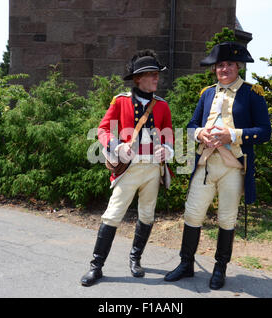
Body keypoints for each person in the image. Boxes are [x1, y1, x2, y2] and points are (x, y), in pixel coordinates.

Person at [164, 41, 271, 290]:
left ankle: (220, 268)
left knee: (226, 218)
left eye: (230, 65)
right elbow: (191, 126)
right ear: (215, 69)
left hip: (233, 167)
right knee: (192, 213)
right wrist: (200, 134)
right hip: (205, 163)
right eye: (220, 65)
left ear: (239, 66)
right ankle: (186, 264)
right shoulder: (207, 94)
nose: (224, 69)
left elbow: (265, 132)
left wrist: (232, 135)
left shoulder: (252, 93)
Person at [81, 49, 174, 287]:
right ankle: (96, 266)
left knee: (146, 215)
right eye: (151, 74)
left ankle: (135, 259)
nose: (156, 78)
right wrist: (117, 146)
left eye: (157, 74)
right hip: (129, 170)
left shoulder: (162, 106)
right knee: (112, 215)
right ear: (138, 79)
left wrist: (168, 150)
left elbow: (169, 135)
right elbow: (102, 129)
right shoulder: (121, 101)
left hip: (153, 170)